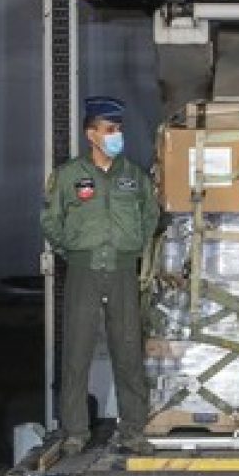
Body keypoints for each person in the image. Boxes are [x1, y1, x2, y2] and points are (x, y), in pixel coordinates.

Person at [41, 96, 160, 456]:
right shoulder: (68, 176)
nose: (116, 136)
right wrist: (74, 250)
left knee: (127, 350)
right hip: (84, 271)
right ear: (91, 133)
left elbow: (150, 215)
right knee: (76, 350)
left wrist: (134, 247)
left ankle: (133, 430)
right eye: (110, 130)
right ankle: (75, 431)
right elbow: (50, 220)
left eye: (119, 129)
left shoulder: (133, 176)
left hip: (123, 271)